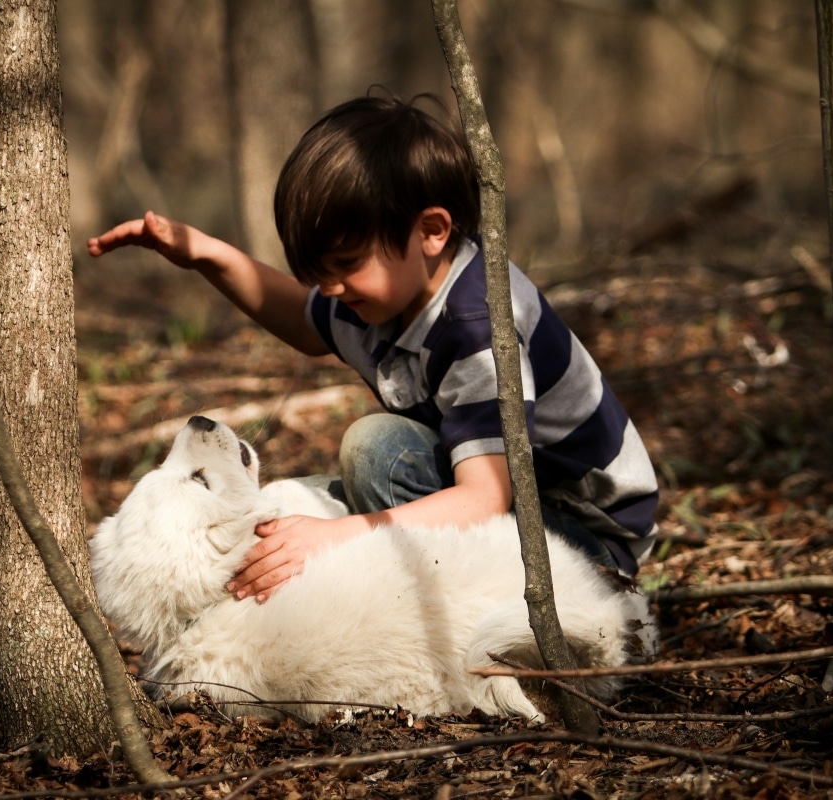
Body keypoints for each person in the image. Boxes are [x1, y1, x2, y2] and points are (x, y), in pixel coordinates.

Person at [88, 94, 659, 602]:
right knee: (333, 482)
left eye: (343, 265)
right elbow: (304, 320)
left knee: (374, 452)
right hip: (516, 505)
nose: (331, 288)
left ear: (432, 231)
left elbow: (484, 498)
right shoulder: (391, 292)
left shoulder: (475, 326)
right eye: (319, 271)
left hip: (581, 543)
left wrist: (336, 537)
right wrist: (207, 256)